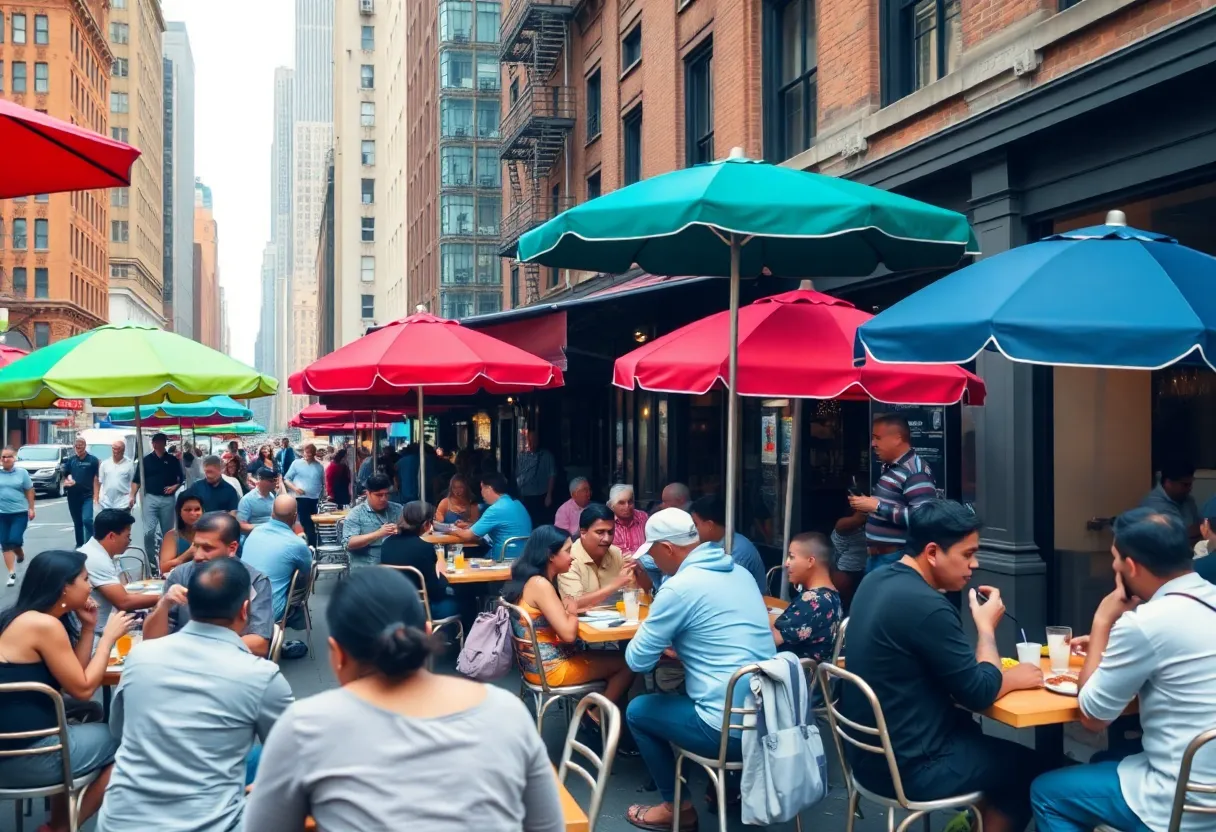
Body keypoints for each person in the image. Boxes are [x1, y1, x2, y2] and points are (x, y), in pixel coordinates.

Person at [243, 568, 564, 832]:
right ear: (427, 632)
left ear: (337, 653)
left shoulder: (302, 727)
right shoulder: (506, 713)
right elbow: (547, 825)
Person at [843, 500, 1045, 832]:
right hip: (911, 769)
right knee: (1031, 768)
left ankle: (970, 822)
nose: (974, 564)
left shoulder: (876, 581)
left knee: (984, 746)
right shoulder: (928, 606)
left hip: (868, 758)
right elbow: (978, 693)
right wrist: (986, 631)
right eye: (967, 554)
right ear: (933, 552)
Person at [1030, 508, 1216, 832]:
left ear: (1131, 566)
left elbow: (1092, 717)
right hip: (1207, 783)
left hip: (1183, 802)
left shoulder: (1145, 623)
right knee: (1106, 760)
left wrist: (1103, 621)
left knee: (1046, 792)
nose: (1113, 567)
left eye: (1115, 558)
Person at [97, 557, 294, 832]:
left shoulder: (140, 656)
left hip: (119, 822)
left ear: (189, 603)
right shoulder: (261, 676)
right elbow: (292, 756)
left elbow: (119, 731)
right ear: (245, 610)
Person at [623, 508, 777, 831]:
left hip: (725, 732)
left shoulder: (678, 588)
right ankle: (728, 790)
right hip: (772, 718)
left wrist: (671, 641)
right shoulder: (740, 573)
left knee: (638, 709)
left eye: (652, 553)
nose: (652, 562)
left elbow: (636, 660)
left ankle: (676, 806)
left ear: (667, 549)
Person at [0, 550, 132, 832]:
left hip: (10, 749)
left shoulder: (21, 618)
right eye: (85, 579)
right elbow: (84, 688)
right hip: (26, 757)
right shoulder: (44, 625)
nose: (91, 585)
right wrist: (107, 637)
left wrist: (88, 629)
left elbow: (71, 679)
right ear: (64, 587)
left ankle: (58, 819)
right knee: (132, 745)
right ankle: (62, 827)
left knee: (91, 712)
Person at [503, 526, 634, 704]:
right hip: (553, 670)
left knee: (611, 657)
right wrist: (572, 613)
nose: (572, 556)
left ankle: (600, 711)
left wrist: (569, 610)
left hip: (534, 667)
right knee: (628, 663)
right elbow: (568, 634)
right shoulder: (540, 584)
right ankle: (594, 716)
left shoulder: (530, 581)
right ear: (550, 555)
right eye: (567, 551)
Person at [143, 512, 274, 657]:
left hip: (230, 668)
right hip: (181, 667)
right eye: (196, 546)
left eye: (207, 548)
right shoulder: (180, 575)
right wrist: (164, 604)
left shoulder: (255, 581)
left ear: (232, 548)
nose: (198, 556)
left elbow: (260, 644)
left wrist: (197, 648)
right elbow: (150, 640)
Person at [848, 413, 938, 574]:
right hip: (879, 557)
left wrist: (877, 506)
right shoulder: (891, 468)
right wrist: (867, 506)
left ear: (897, 438)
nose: (872, 444)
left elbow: (924, 517)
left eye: (877, 438)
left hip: (896, 558)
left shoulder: (915, 471)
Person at [81, 508, 160, 638]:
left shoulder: (100, 553)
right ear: (111, 536)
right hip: (96, 633)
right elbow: (124, 602)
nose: (129, 542)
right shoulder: (96, 559)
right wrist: (164, 597)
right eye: (127, 537)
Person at [241, 495, 314, 624]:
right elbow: (307, 574)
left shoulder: (255, 532)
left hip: (241, 608)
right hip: (270, 613)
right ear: (295, 515)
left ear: (272, 512)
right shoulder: (297, 544)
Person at [381, 501, 458, 619]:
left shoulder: (387, 543)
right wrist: (442, 574)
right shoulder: (424, 547)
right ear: (426, 524)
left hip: (392, 606)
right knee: (462, 602)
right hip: (419, 608)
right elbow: (435, 592)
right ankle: (447, 637)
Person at [772, 532, 842, 662]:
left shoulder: (813, 602)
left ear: (810, 561)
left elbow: (768, 640)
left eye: (791, 557)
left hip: (792, 677)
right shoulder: (831, 596)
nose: (786, 563)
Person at [557, 503, 633, 611]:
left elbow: (635, 594)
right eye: (600, 532)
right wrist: (614, 586)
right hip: (581, 625)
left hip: (618, 623)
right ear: (583, 532)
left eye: (611, 532)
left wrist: (639, 570)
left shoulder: (616, 553)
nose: (607, 538)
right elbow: (573, 604)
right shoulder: (569, 558)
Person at [689, 493, 767, 594]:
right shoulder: (711, 544)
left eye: (696, 524)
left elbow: (721, 588)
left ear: (709, 525)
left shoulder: (737, 550)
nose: (693, 530)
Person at [451, 473, 532, 559]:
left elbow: (467, 536)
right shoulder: (517, 503)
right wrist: (470, 526)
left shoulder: (496, 509)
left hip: (503, 558)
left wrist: (450, 529)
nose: (481, 493)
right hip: (524, 557)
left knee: (462, 558)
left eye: (482, 488)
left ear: (489, 489)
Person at [132, 432, 186, 556]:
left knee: (167, 532)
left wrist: (175, 487)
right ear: (153, 444)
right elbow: (136, 480)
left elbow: (181, 479)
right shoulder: (145, 460)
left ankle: (165, 555)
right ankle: (151, 557)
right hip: (150, 498)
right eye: (157, 442)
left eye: (162, 441)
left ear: (165, 443)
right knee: (149, 531)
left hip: (168, 499)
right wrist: (132, 496)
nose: (159, 444)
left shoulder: (172, 460)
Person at [342, 473, 404, 565]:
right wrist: (379, 533)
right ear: (368, 493)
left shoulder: (398, 509)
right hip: (366, 566)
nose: (384, 499)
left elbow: (412, 532)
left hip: (396, 565)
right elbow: (350, 543)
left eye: (386, 494)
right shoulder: (356, 513)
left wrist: (401, 530)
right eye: (379, 495)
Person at [1139, 459, 1200, 542]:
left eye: (1190, 484)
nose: (1189, 489)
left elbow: (1200, 528)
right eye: (1185, 484)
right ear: (1168, 483)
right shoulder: (1154, 504)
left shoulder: (1188, 499)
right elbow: (1177, 536)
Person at [0, 446, 34, 587]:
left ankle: (20, 554)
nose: (5, 459)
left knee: (14, 540)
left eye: (8, 456)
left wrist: (31, 508)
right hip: (2, 514)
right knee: (5, 543)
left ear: (14, 458)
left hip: (19, 513)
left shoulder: (22, 473)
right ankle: (12, 573)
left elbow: (29, 490)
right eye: (3, 457)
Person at [61, 436, 100, 547]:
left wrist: (96, 495)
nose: (78, 447)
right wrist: (68, 480)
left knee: (87, 519)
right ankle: (80, 545)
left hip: (87, 495)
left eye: (81, 445)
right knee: (77, 522)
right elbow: (66, 474)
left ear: (85, 446)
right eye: (76, 446)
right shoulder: (71, 460)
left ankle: (95, 540)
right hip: (73, 495)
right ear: (74, 447)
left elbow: (96, 478)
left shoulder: (92, 460)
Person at [284, 443, 325, 547]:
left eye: (311, 454)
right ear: (303, 453)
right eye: (307, 453)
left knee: (312, 521)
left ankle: (314, 542)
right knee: (306, 521)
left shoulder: (319, 466)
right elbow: (287, 479)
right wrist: (295, 488)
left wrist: (323, 494)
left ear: (315, 454)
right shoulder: (296, 463)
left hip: (314, 498)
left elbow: (322, 482)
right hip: (301, 498)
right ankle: (314, 543)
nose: (308, 455)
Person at [830, 503, 869, 611]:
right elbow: (859, 519)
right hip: (845, 571)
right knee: (844, 605)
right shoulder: (842, 526)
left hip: (861, 570)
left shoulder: (862, 528)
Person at [516, 429, 557, 526]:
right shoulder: (521, 456)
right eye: (529, 441)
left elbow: (552, 474)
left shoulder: (546, 455)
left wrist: (549, 495)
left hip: (541, 495)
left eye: (534, 440)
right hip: (525, 495)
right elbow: (517, 475)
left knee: (540, 521)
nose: (531, 443)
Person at [159, 492, 203, 574]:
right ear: (179, 512)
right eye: (188, 510)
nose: (193, 513)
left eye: (197, 509)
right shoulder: (172, 536)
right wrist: (187, 554)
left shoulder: (209, 534)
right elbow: (163, 568)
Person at [608, 483, 649, 556]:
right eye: (621, 503)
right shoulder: (607, 522)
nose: (627, 506)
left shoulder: (643, 517)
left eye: (630, 502)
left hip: (643, 564)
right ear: (612, 505)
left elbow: (651, 544)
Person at [238, 468, 279, 536]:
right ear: (261, 480)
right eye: (271, 481)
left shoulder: (272, 496)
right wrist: (265, 527)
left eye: (275, 480)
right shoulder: (247, 500)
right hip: (255, 535)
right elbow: (241, 525)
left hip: (272, 534)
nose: (275, 483)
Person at [97, 439, 136, 512]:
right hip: (107, 502)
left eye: (118, 449)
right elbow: (100, 481)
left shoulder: (129, 465)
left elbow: (133, 482)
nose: (116, 451)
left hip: (123, 502)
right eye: (114, 448)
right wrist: (98, 497)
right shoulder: (105, 464)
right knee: (108, 523)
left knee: (122, 523)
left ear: (123, 450)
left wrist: (132, 496)